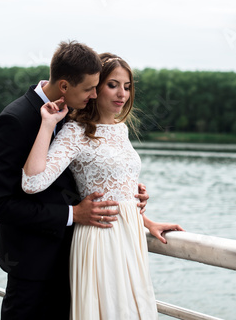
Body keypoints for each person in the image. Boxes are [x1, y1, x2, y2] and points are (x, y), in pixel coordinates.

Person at [0, 41, 151, 319]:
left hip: (82, 249)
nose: (94, 94)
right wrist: (72, 213)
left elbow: (88, 171)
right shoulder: (16, 119)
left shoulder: (78, 112)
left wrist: (129, 196)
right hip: (33, 262)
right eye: (92, 88)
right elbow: (1, 205)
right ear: (65, 85)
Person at [22, 52, 184, 319]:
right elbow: (31, 183)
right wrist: (47, 124)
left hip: (130, 237)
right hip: (101, 239)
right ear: (95, 89)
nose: (122, 93)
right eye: (113, 85)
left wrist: (145, 220)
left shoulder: (121, 128)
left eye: (127, 86)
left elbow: (116, 187)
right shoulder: (75, 131)